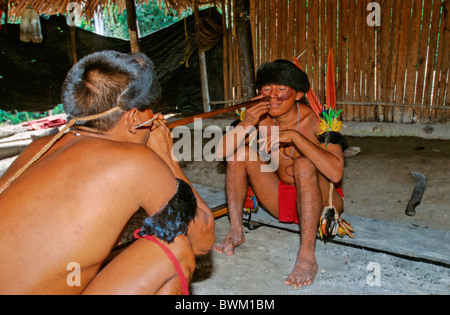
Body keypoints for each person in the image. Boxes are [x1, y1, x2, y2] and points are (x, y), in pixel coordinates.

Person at [0, 50, 215, 294]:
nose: (155, 118)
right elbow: (202, 238)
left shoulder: (39, 147)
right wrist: (167, 157)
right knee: (175, 248)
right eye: (151, 112)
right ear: (133, 118)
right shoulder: (136, 161)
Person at [214, 59, 347, 289]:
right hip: (281, 202)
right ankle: (236, 231)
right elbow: (220, 152)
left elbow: (335, 173)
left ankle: (306, 255)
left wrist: (296, 138)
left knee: (304, 165)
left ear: (298, 95)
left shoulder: (318, 120)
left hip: (324, 203)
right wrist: (247, 122)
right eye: (267, 89)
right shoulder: (259, 118)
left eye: (281, 89)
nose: (272, 96)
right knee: (238, 154)